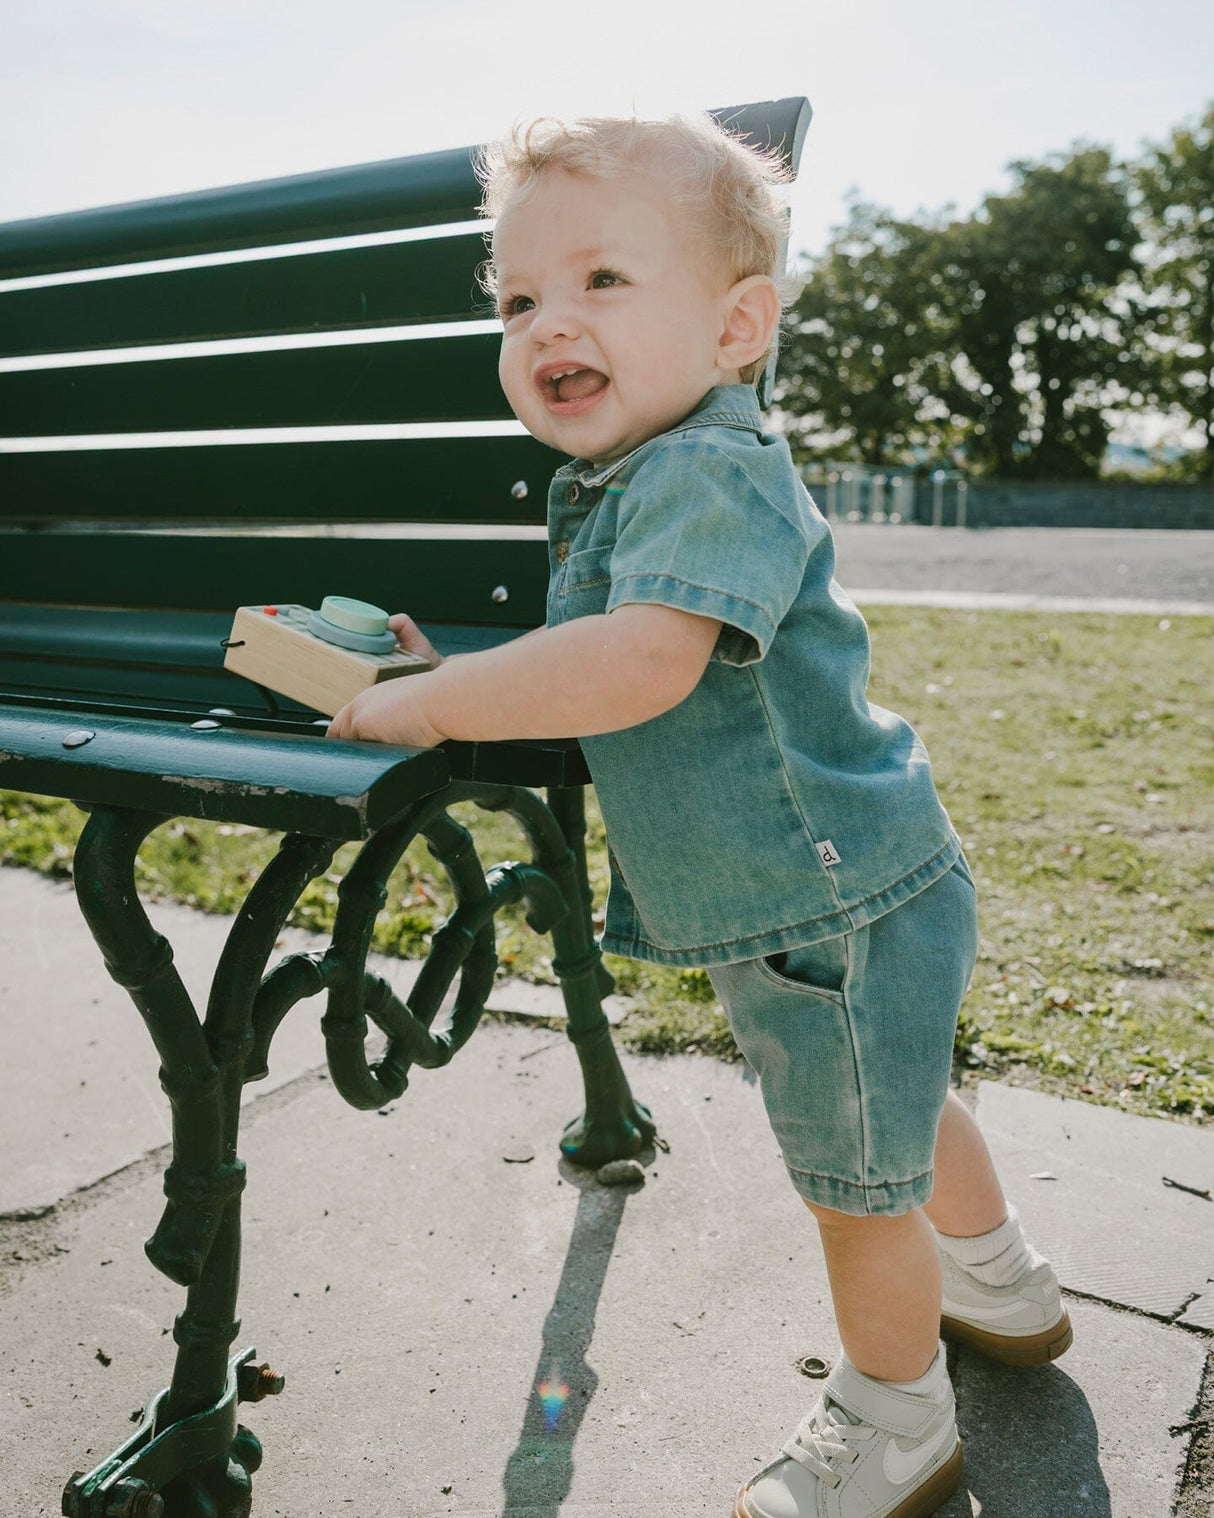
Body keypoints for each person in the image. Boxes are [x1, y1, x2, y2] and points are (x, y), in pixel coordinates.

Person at [327, 112, 1073, 1518]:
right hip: (840, 882)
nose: (550, 322)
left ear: (737, 328)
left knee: (854, 1183)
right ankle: (1001, 1284)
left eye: (603, 280)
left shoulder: (707, 470)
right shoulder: (639, 475)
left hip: (824, 896)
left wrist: (436, 707)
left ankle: (897, 1419)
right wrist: (453, 677)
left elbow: (639, 663)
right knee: (897, 1104)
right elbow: (593, 661)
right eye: (518, 300)